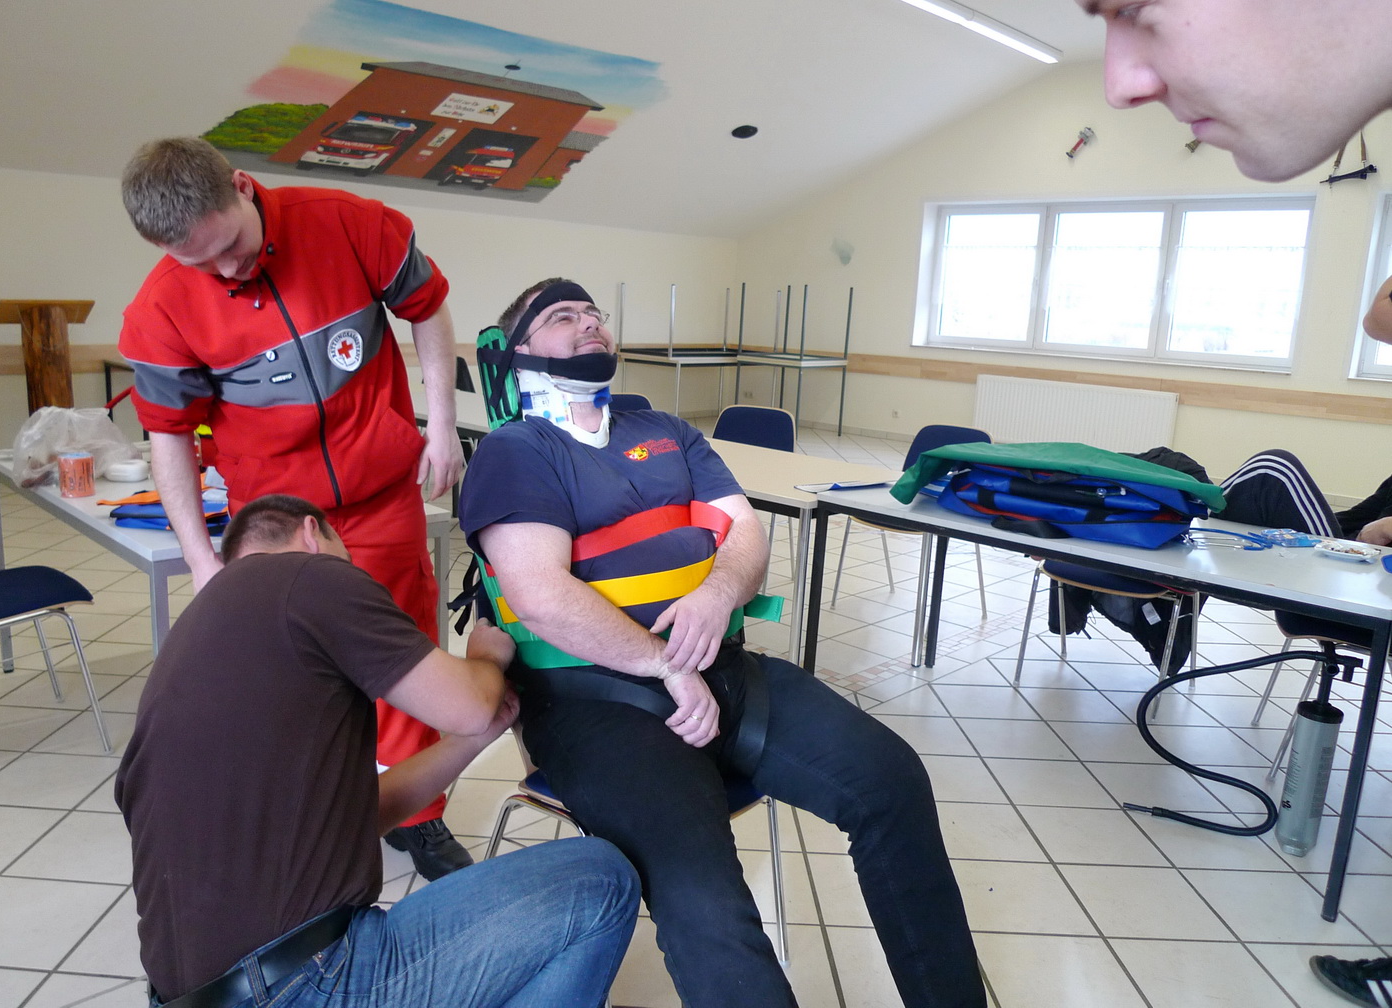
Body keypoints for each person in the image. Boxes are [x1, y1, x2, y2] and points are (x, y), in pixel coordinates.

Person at [456, 278, 985, 1008]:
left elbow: (746, 532)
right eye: (562, 316)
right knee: (703, 894)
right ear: (515, 354)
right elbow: (540, 595)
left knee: (891, 782)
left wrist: (716, 593)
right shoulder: (517, 449)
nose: (590, 323)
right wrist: (664, 664)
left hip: (724, 670)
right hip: (596, 703)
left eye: (595, 313)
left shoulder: (667, 431)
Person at [1083, 3, 1392, 1004]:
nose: (1122, 80)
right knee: (1203, 476)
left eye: (1138, 11)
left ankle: (1159, 587)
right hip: (1355, 547)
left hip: (1354, 567)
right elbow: (1378, 315)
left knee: (1258, 469)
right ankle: (1151, 583)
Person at [115, 493, 639, 1008]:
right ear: (312, 533)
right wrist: (485, 660)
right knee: (601, 876)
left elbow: (356, 818)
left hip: (190, 994)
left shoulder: (203, 636)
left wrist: (474, 741)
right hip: (304, 982)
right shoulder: (308, 576)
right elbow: (470, 705)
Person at [117, 137, 469, 878]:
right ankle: (318, 814)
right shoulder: (160, 309)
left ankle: (418, 818)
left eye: (231, 247)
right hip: (274, 517)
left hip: (378, 494)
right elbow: (169, 438)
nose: (226, 271)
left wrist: (440, 423)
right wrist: (202, 562)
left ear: (244, 187)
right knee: (293, 669)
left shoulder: (349, 221)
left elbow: (429, 308)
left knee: (401, 650)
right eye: (200, 263)